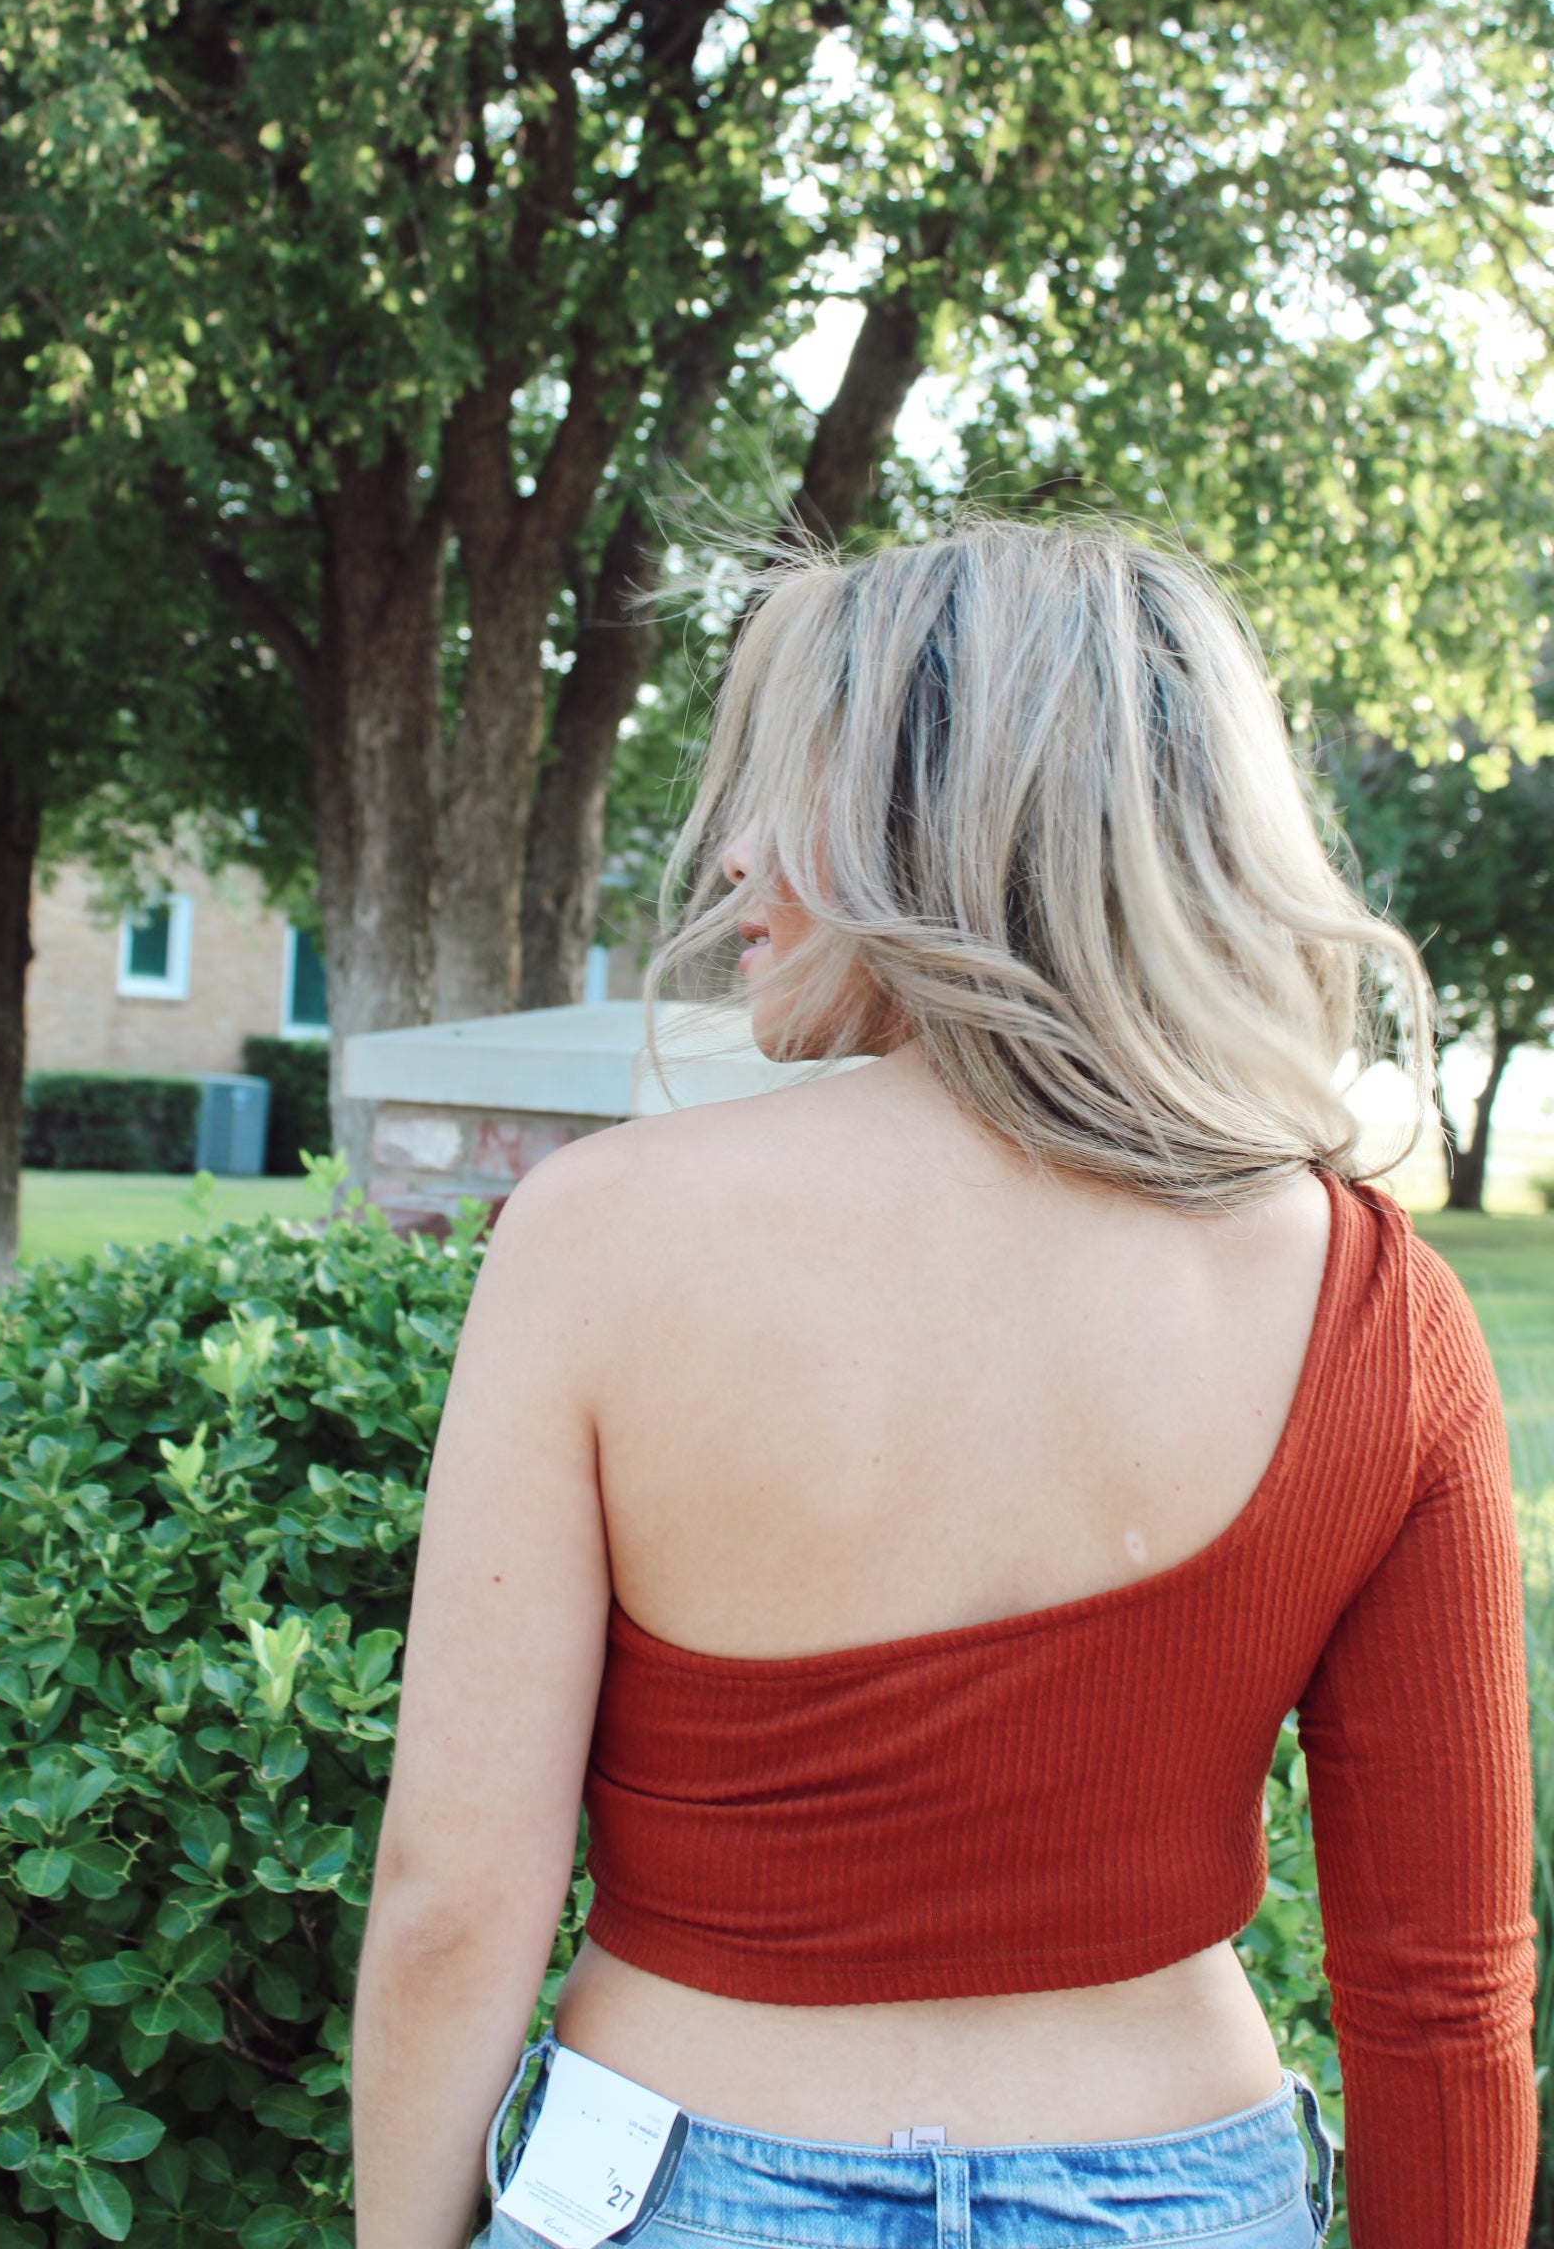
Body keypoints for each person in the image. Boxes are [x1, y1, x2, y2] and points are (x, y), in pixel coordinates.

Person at [351, 518, 1537, 2249]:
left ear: (948, 824)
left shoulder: (598, 1237)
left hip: (680, 2179)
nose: (733, 854)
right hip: (1184, 2196)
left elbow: (457, 1899)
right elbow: (1442, 1987)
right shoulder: (1379, 1310)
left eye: (789, 787)